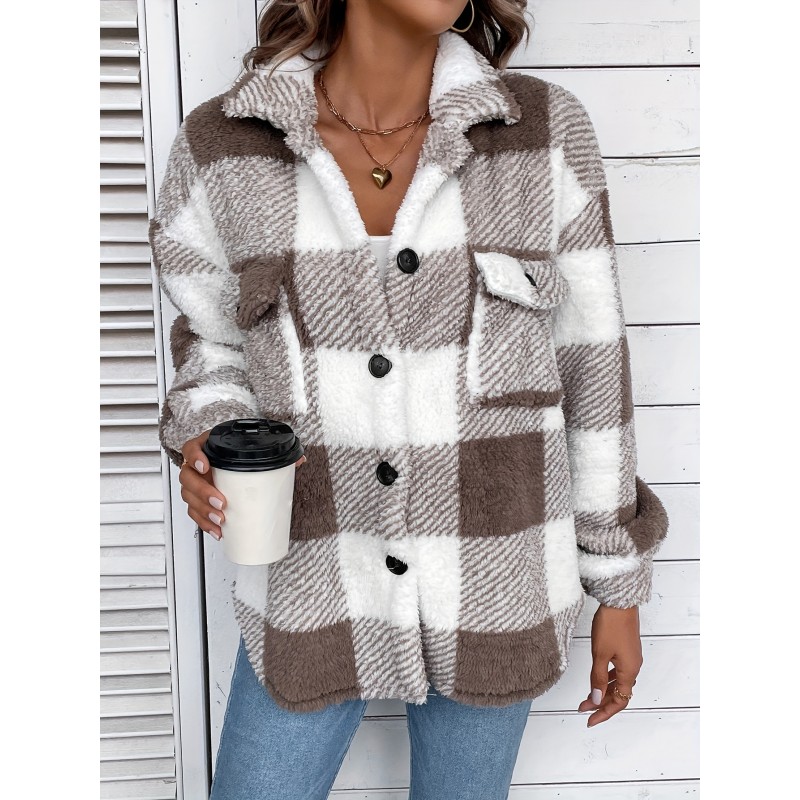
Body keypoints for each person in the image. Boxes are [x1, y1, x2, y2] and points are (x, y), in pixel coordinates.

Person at [150, 1, 670, 798]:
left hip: (498, 585)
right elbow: (212, 345)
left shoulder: (542, 131)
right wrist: (212, 435)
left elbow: (592, 370)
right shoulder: (221, 145)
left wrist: (618, 588)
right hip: (309, 578)